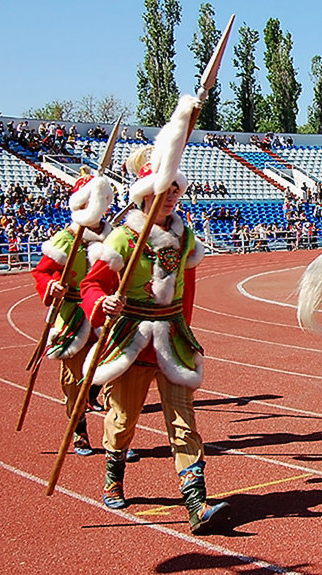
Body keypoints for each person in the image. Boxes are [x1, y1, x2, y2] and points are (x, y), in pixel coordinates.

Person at [79, 142, 229, 534]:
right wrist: (103, 303)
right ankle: (113, 476)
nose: (171, 198)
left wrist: (186, 330)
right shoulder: (123, 240)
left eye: (176, 190)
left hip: (173, 339)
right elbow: (91, 285)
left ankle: (197, 505)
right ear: (146, 195)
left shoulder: (185, 238)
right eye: (164, 191)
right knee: (123, 418)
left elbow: (188, 291)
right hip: (132, 339)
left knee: (183, 422)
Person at [31, 170, 114, 456]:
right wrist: (52, 284)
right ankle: (79, 430)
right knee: (72, 379)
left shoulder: (115, 237)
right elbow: (42, 272)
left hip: (105, 312)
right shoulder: (66, 238)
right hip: (73, 311)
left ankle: (115, 437)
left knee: (116, 372)